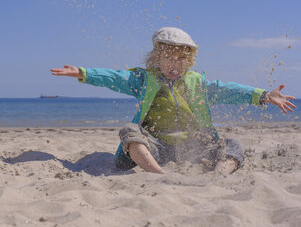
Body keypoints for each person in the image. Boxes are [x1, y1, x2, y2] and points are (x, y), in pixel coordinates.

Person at [50, 27, 296, 174]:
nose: (175, 64)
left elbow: (230, 90)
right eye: (170, 58)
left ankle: (220, 176)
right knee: (130, 131)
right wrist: (83, 73)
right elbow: (115, 77)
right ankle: (158, 174)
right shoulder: (144, 80)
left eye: (182, 60)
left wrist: (264, 95)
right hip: (157, 148)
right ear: (157, 57)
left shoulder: (197, 83)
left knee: (233, 144)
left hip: (194, 148)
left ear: (189, 62)